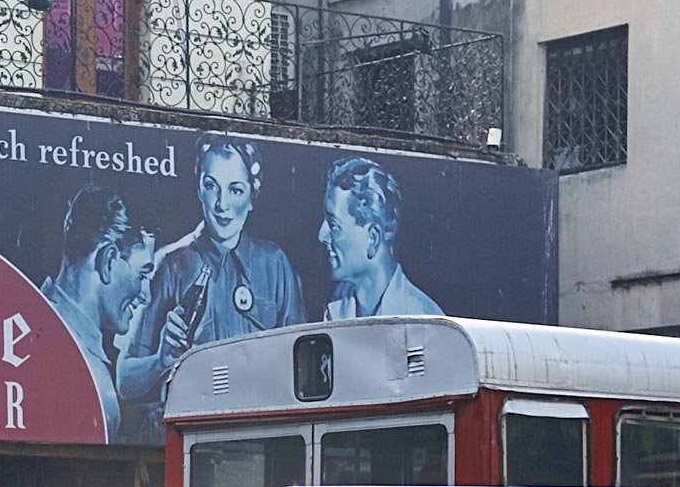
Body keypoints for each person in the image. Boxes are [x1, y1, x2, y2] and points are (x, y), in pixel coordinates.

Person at [116, 137, 305, 445]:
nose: (222, 205)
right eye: (211, 185)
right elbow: (125, 381)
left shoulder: (275, 265)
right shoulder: (170, 264)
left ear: (253, 196)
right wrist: (161, 360)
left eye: (235, 190)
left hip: (261, 439)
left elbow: (302, 367)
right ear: (198, 189)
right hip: (190, 442)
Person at [38, 186, 160, 443]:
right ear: (108, 261)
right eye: (143, 274)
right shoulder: (68, 358)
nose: (145, 295)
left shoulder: (43, 329)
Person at [316, 157, 443, 321]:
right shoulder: (335, 307)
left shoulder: (425, 321)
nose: (322, 235)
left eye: (333, 224)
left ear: (373, 238)